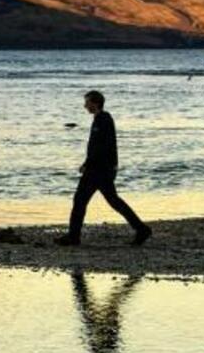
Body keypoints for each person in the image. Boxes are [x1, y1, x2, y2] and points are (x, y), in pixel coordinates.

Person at [57, 91, 152, 247]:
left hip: (99, 170)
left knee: (81, 200)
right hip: (102, 169)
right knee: (112, 201)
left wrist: (87, 163)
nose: (85, 106)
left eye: (87, 102)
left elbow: (101, 147)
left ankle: (73, 237)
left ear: (95, 103)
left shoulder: (103, 119)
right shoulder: (100, 119)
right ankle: (141, 229)